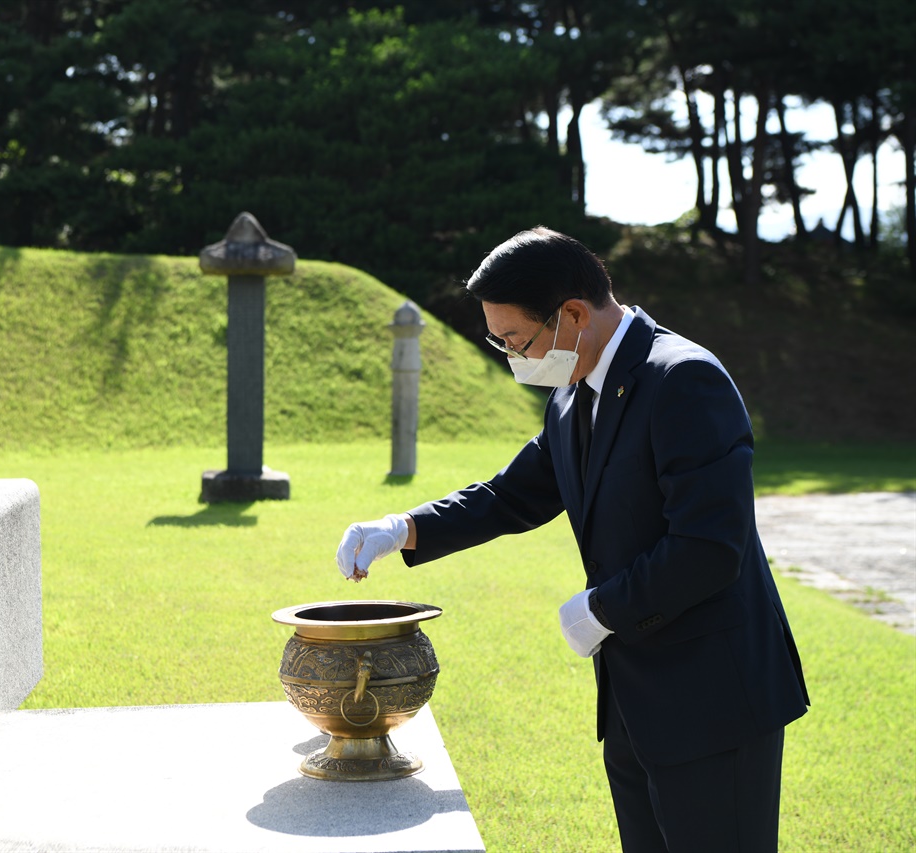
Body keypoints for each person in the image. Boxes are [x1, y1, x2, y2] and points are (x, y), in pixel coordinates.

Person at [336, 227, 809, 853]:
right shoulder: (571, 391)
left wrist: (600, 609)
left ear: (572, 315)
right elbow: (514, 494)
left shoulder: (683, 381)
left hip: (711, 699)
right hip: (633, 702)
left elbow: (709, 547)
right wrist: (404, 528)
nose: (512, 358)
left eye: (515, 340)